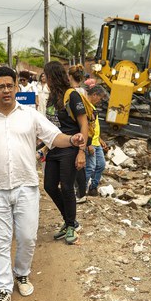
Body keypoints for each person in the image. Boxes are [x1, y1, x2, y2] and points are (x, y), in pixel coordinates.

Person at [0, 67, 85, 301]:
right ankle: (3, 288)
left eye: (11, 85)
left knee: (27, 237)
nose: (6, 90)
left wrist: (72, 140)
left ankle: (21, 273)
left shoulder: (30, 115)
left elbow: (54, 137)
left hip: (26, 186)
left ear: (17, 87)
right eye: (1, 86)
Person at [43, 61, 88, 245]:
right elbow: (52, 127)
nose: (44, 79)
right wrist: (44, 148)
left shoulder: (73, 95)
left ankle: (71, 225)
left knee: (67, 187)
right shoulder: (52, 97)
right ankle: (71, 221)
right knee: (49, 186)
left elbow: (83, 124)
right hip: (55, 148)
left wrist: (81, 152)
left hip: (71, 147)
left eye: (46, 75)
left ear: (54, 76)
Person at [68, 64, 89, 204]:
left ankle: (80, 193)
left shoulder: (71, 93)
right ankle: (82, 192)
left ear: (69, 76)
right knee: (80, 164)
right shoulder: (83, 91)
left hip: (75, 131)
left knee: (77, 164)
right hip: (82, 130)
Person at [85, 85, 109, 196]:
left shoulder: (93, 108)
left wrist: (99, 139)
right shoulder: (86, 107)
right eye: (99, 98)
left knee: (101, 165)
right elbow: (86, 127)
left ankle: (93, 187)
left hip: (96, 142)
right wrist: (88, 144)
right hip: (90, 143)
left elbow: (94, 126)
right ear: (94, 95)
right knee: (90, 167)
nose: (100, 101)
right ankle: (80, 188)